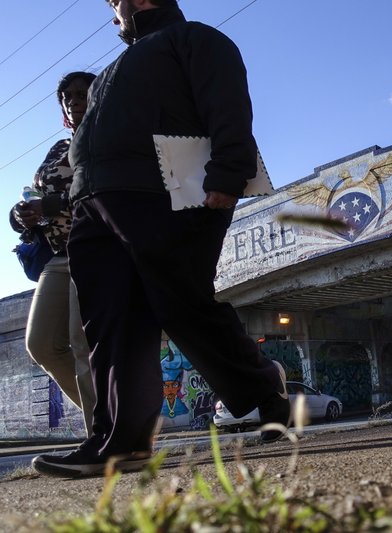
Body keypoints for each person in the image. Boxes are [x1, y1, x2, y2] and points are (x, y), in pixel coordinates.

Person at [32, 0, 289, 477]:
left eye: (115, 4)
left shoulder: (195, 40)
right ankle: (122, 441)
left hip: (164, 192)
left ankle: (262, 387)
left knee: (180, 301)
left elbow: (228, 102)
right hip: (94, 204)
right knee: (111, 322)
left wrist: (229, 172)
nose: (113, 17)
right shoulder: (111, 70)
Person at [10, 72, 98, 436]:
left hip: (96, 249)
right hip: (57, 256)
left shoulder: (108, 138)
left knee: (82, 344)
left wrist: (54, 204)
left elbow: (107, 190)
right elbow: (33, 194)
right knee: (43, 345)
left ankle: (106, 435)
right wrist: (21, 215)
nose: (72, 101)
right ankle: (117, 413)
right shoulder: (57, 149)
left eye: (81, 94)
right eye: (66, 97)